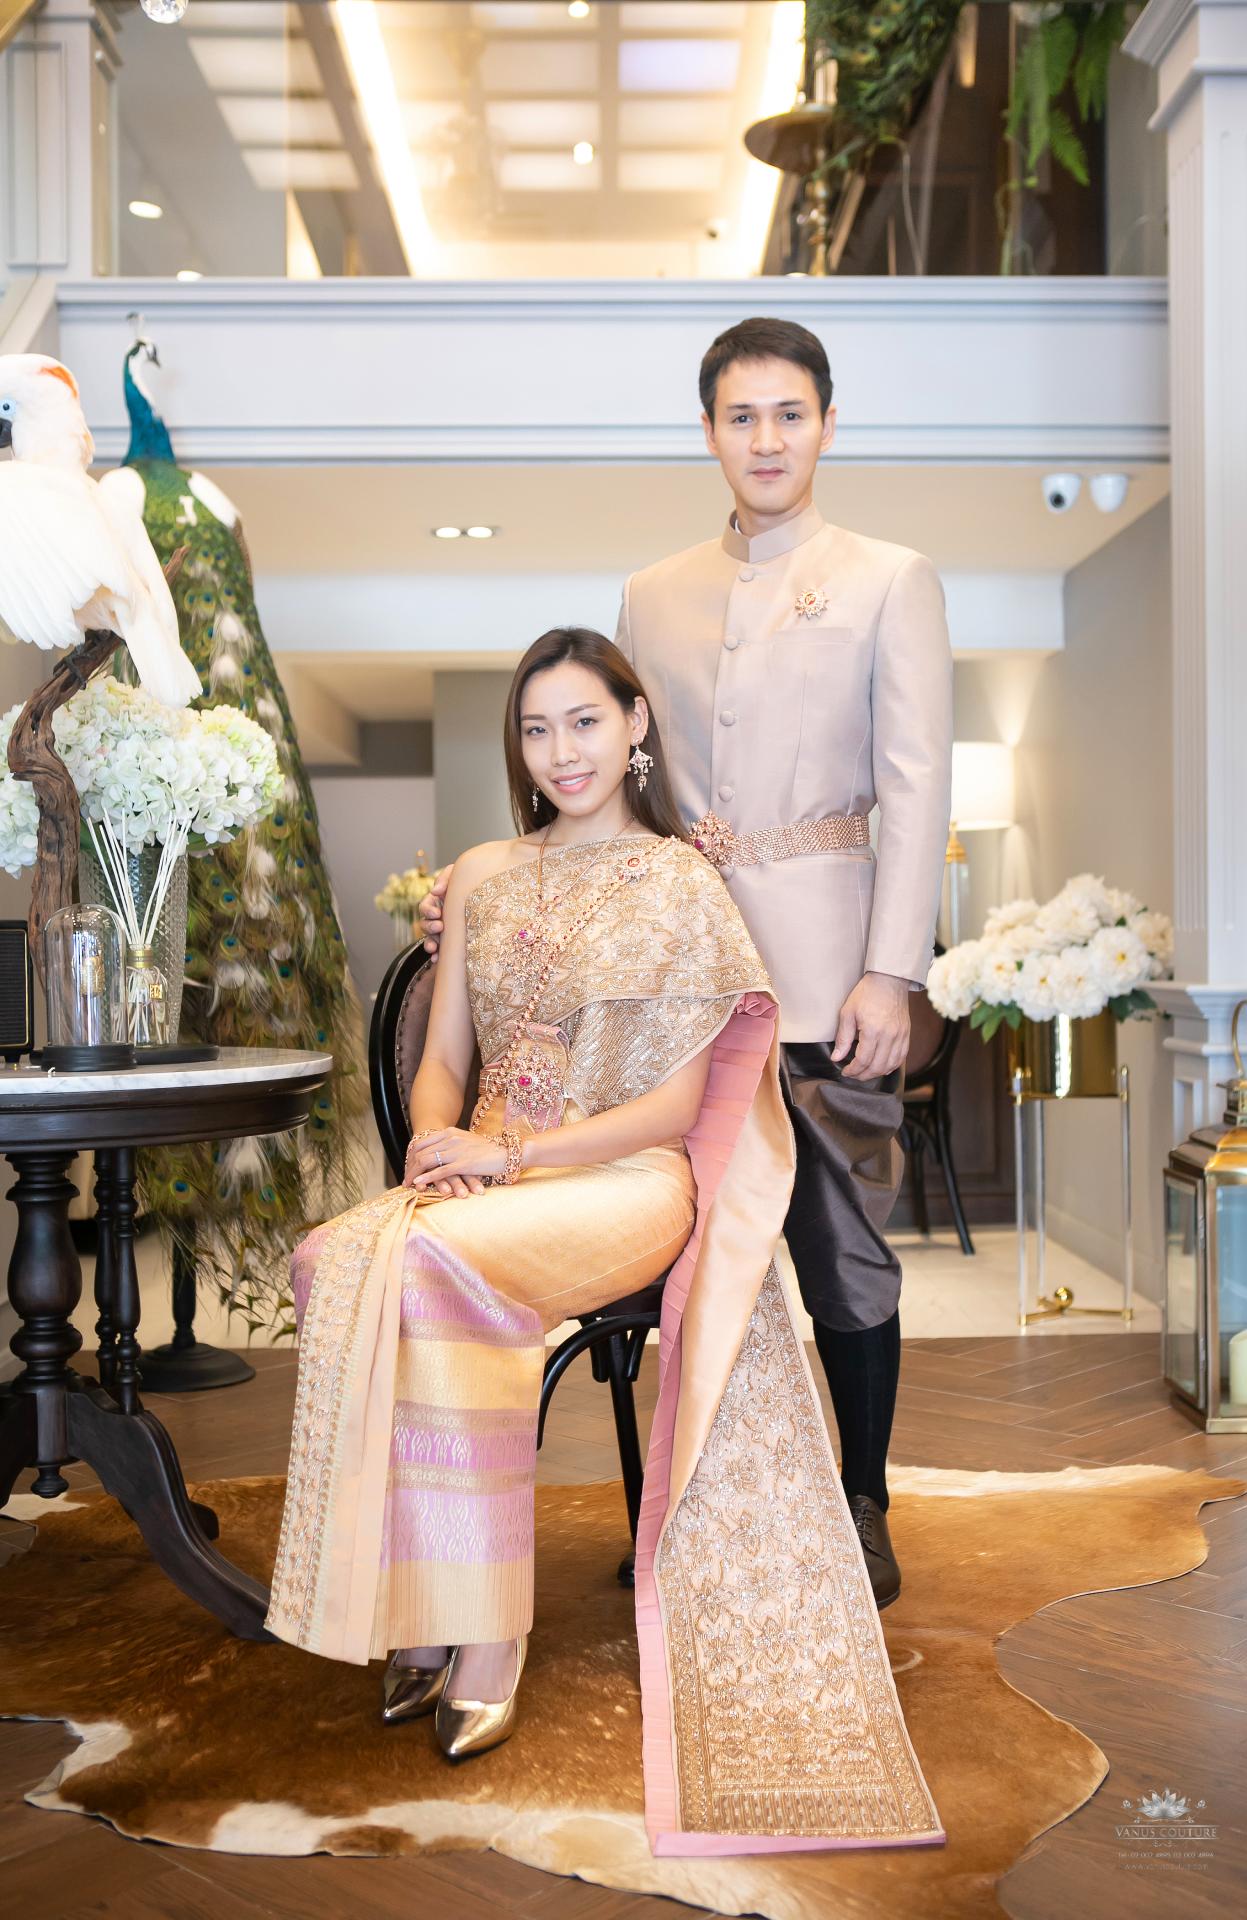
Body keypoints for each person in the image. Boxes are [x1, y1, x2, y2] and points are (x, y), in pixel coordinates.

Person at [272, 628, 941, 1853]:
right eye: (536, 729)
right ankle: (423, 1602)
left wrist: (511, 1160)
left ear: (634, 726)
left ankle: (483, 1630)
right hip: (483, 1174)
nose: (560, 751)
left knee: (432, 1262)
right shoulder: (481, 872)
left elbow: (677, 1111)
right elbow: (443, 1058)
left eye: (584, 721)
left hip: (622, 1183)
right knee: (333, 1258)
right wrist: (435, 1140)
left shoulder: (679, 882)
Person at [424, 318, 953, 1609]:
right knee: (685, 1260)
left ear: (826, 424)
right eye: (740, 416)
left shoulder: (891, 578)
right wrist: (483, 894)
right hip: (667, 987)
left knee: (840, 1251)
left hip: (827, 977)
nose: (765, 439)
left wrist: (892, 970)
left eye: (789, 413)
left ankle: (863, 1501)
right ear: (708, 431)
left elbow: (914, 784)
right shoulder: (649, 594)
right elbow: (609, 790)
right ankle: (694, 1507)